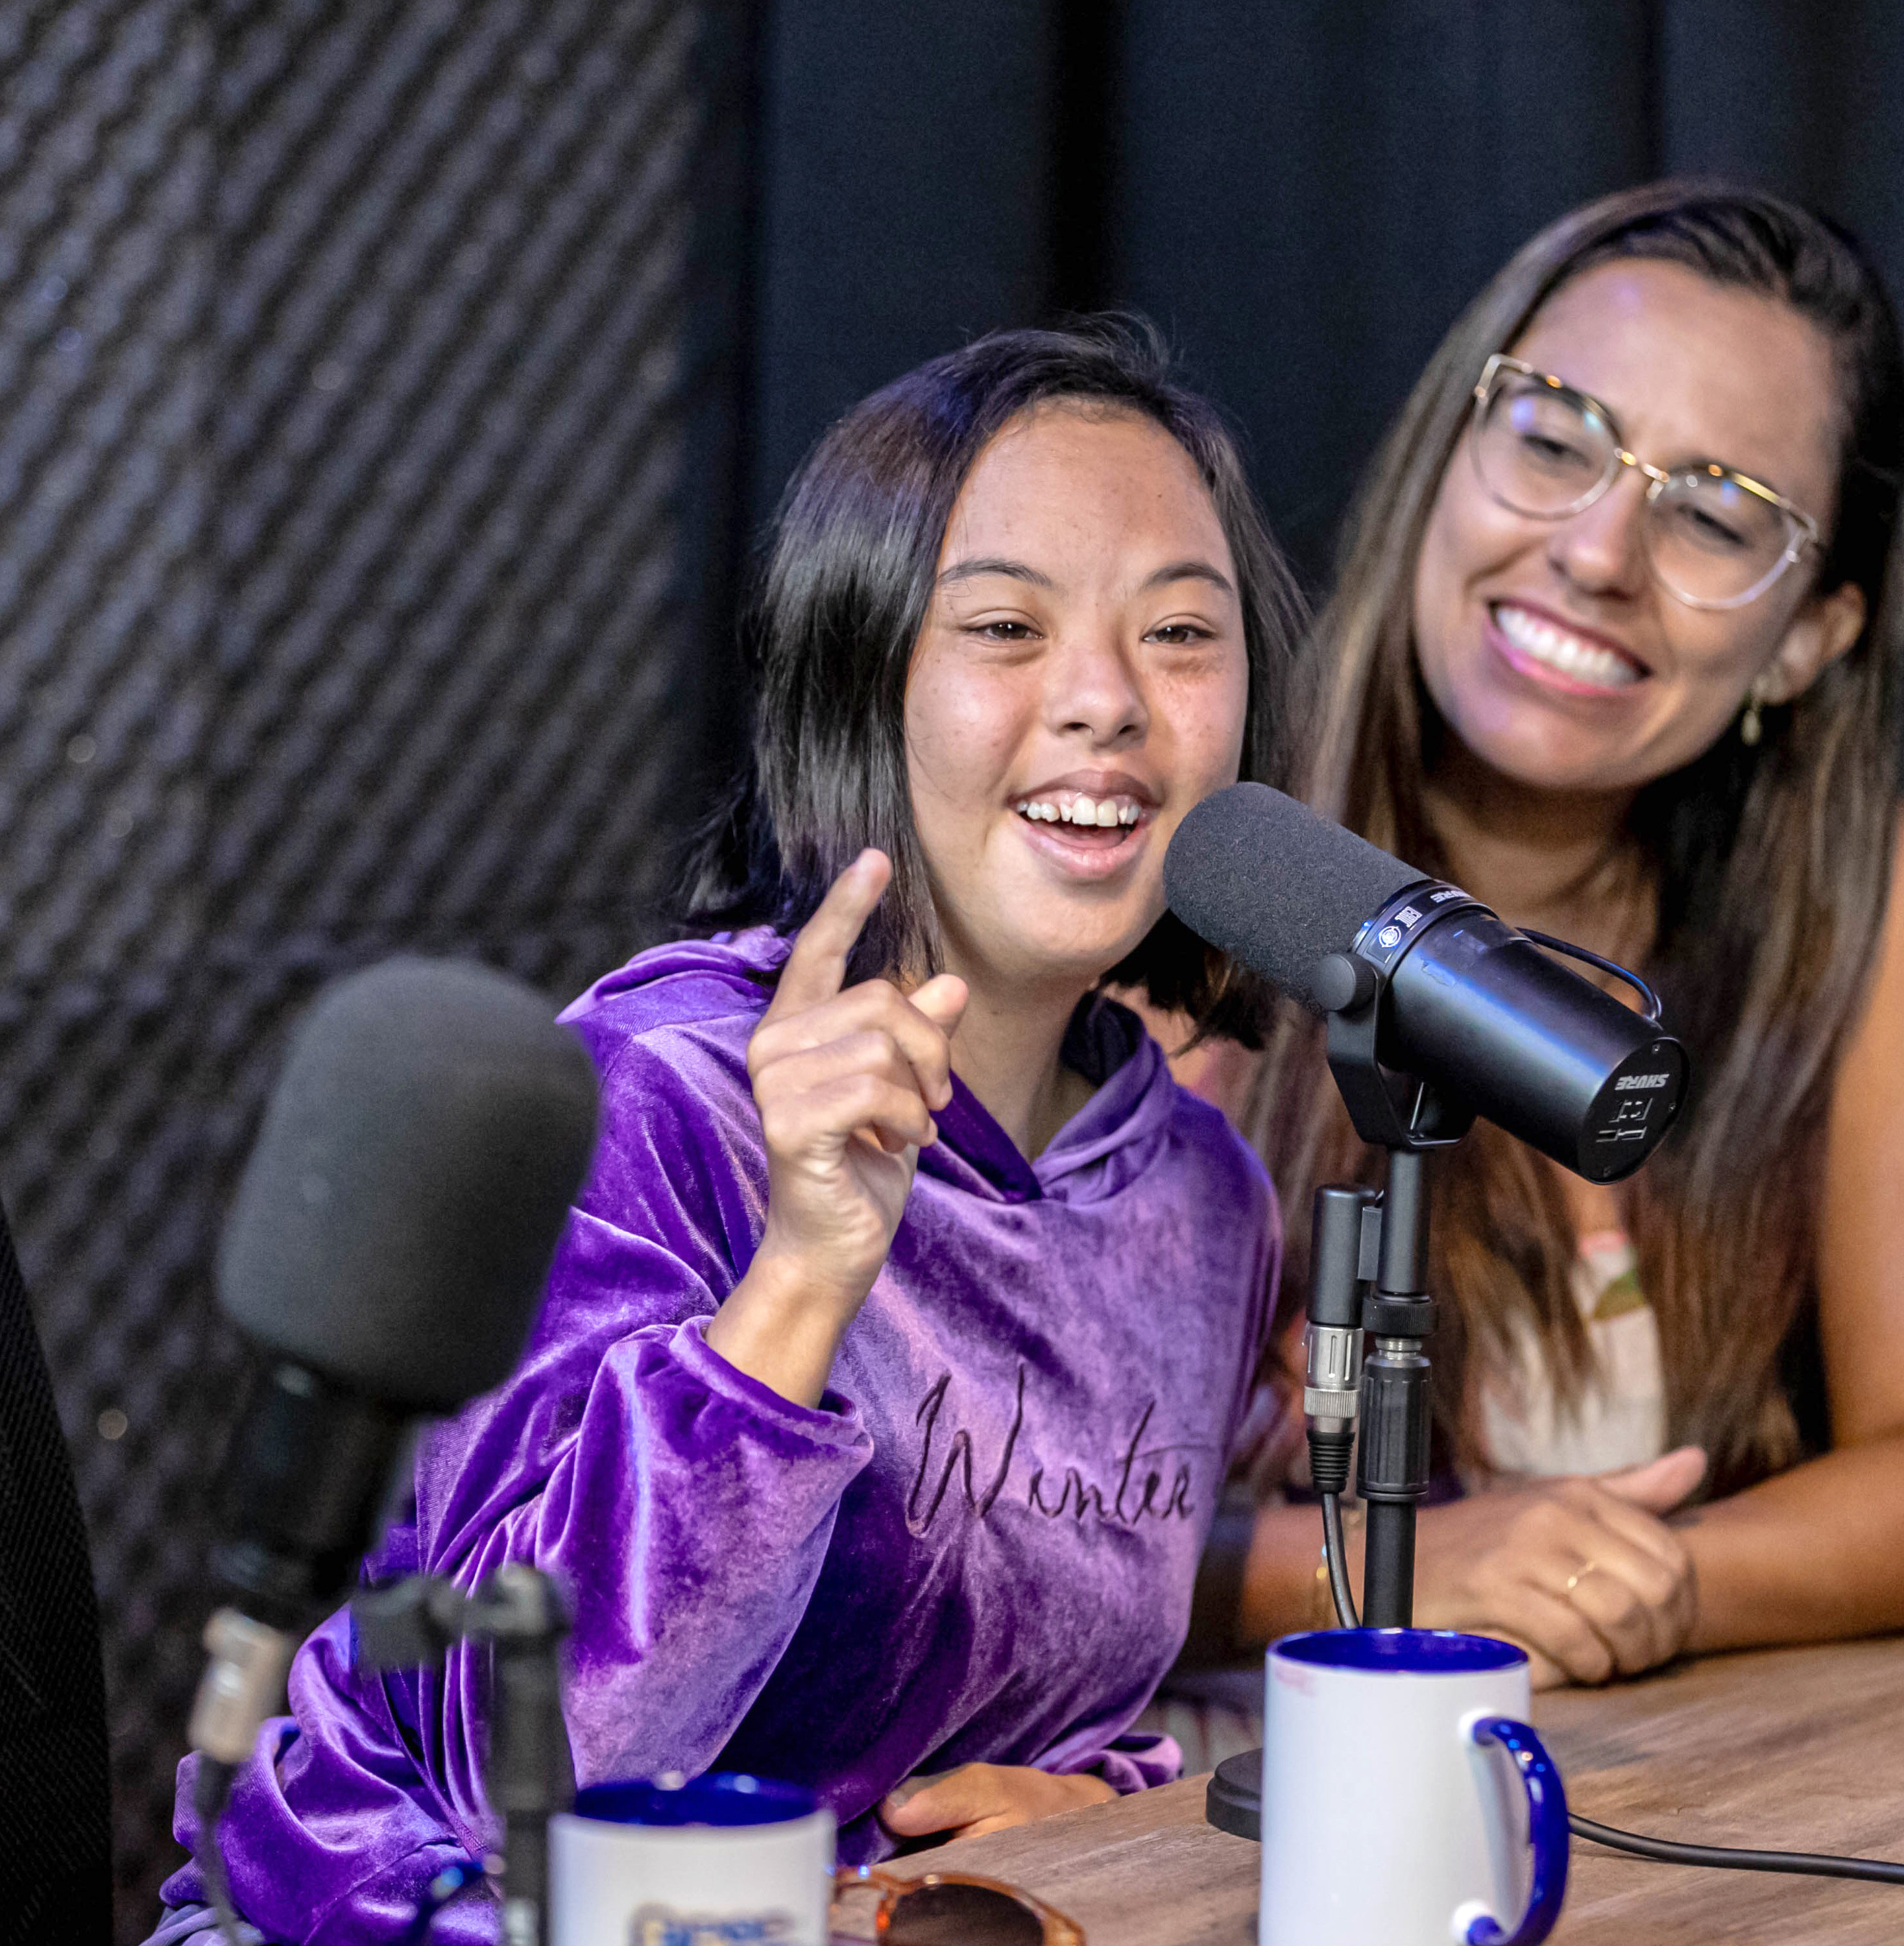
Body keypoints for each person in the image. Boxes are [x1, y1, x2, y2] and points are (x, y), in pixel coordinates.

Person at [148, 323, 1304, 1944]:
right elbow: (518, 1770)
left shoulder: (1199, 1197)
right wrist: (804, 1280)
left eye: (1180, 632)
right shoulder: (663, 1093)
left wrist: (1099, 1804)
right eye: (1004, 627)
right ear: (860, 679)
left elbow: (1045, 1692)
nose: (1107, 701)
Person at [1221, 181, 1904, 1687]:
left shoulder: (1855, 893)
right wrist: (1404, 1570)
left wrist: (1633, 1581)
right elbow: (972, 1516)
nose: (1601, 552)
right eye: (1555, 440)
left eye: (1718, 515)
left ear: (1808, 638)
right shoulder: (1220, 847)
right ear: (1444, 452)